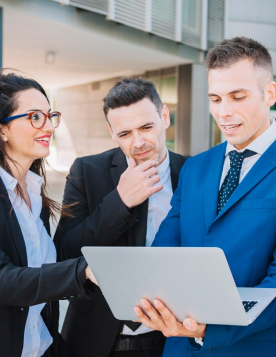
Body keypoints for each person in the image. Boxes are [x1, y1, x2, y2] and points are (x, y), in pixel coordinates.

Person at [133, 37, 276, 356]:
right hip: (181, 347)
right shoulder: (196, 168)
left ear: (269, 93)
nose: (224, 112)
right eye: (215, 99)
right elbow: (166, 249)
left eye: (237, 96)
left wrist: (210, 327)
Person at [0, 70, 97, 357]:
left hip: (43, 348)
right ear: (2, 129)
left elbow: (42, 283)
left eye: (50, 116)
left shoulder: (36, 198)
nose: (47, 126)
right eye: (35, 116)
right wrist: (83, 270)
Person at [54, 78, 188, 357]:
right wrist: (119, 202)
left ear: (164, 116)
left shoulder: (194, 172)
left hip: (174, 338)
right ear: (111, 132)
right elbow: (64, 253)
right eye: (125, 133)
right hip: (96, 339)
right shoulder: (86, 171)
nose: (138, 143)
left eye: (146, 127)